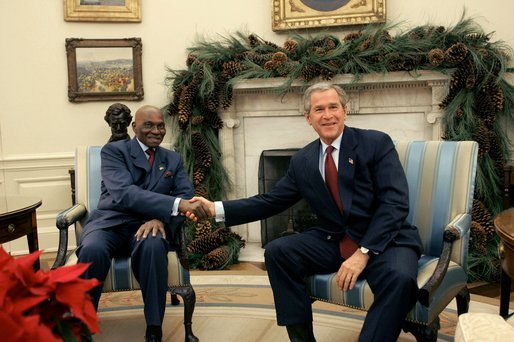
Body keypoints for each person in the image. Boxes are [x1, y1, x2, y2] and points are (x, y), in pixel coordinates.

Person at [186, 83, 423, 342]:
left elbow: (394, 203)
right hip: (336, 239)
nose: (328, 115)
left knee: (399, 279)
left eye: (334, 107)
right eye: (319, 109)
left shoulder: (375, 143)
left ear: (345, 110)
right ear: (308, 118)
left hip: (386, 240)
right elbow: (270, 201)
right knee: (278, 251)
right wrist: (215, 208)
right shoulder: (303, 160)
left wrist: (363, 252)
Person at [77, 105, 205, 342]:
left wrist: (160, 218)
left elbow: (186, 197)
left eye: (160, 125)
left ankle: (154, 329)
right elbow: (125, 193)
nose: (156, 131)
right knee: (92, 249)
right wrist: (172, 205)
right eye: (148, 125)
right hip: (110, 223)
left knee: (155, 245)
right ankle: (82, 326)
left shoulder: (173, 159)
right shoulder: (114, 151)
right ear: (134, 127)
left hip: (149, 226)